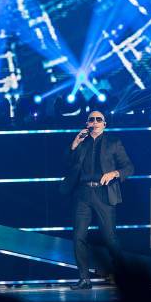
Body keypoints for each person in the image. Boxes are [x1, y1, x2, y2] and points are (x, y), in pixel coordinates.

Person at [60, 110, 134, 290]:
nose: (94, 122)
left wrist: (114, 173)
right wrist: (75, 143)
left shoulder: (113, 142)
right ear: (87, 123)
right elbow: (67, 163)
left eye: (98, 119)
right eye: (91, 119)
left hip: (104, 192)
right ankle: (84, 279)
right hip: (83, 193)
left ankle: (122, 276)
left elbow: (129, 167)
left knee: (110, 238)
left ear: (104, 123)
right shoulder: (81, 143)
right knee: (78, 236)